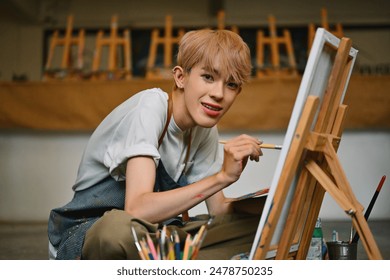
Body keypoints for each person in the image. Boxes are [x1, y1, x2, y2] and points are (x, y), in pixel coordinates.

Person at [48, 28, 265, 260]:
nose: (219, 93)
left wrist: (271, 203)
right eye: (208, 77)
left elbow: (219, 211)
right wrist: (222, 176)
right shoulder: (151, 105)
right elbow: (137, 210)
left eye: (231, 84)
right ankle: (177, 260)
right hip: (93, 233)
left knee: (260, 228)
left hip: (156, 236)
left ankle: (168, 261)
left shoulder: (205, 129)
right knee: (118, 230)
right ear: (181, 77)